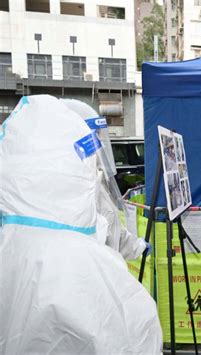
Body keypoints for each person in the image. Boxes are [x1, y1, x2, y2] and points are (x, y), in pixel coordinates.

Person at [0, 95, 162, 353]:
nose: (97, 149)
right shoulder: (76, 194)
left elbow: (112, 229)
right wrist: (136, 247)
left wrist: (136, 246)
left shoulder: (33, 205)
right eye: (91, 142)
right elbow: (109, 230)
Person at [61, 99, 151, 260]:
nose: (96, 144)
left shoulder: (93, 178)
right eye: (92, 137)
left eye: (98, 137)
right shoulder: (69, 187)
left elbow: (111, 226)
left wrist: (137, 247)